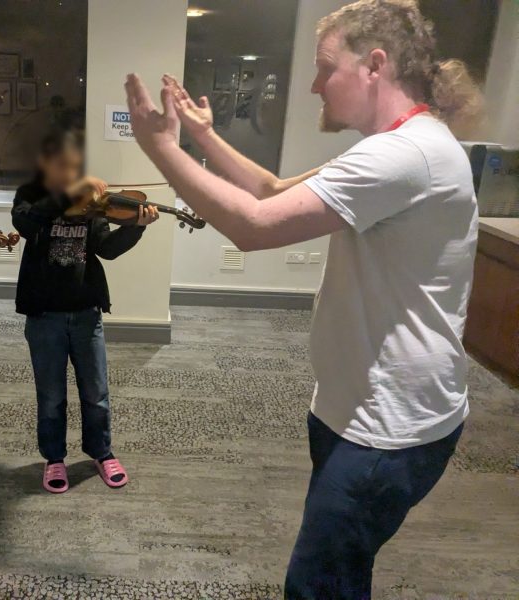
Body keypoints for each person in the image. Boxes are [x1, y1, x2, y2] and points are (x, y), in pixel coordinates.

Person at [123, 0, 483, 597]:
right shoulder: (403, 144)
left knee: (315, 587)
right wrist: (205, 138)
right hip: (361, 411)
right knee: (342, 575)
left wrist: (161, 148)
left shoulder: (404, 155)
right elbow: (270, 189)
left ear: (375, 64)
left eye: (324, 68)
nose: (314, 85)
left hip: (388, 429)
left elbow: (257, 225)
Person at [12, 129, 160, 493]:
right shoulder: (30, 196)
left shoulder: (94, 203)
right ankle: (55, 458)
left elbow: (105, 248)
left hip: (86, 312)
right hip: (44, 314)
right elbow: (26, 223)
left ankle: (101, 451)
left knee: (96, 392)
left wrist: (135, 229)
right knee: (51, 396)